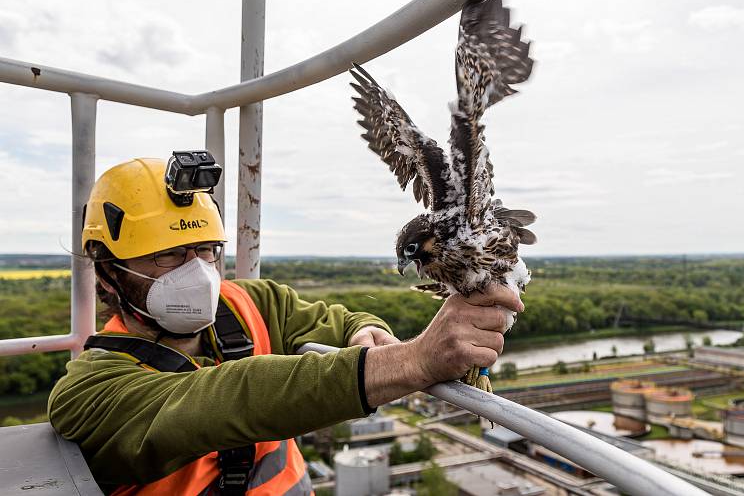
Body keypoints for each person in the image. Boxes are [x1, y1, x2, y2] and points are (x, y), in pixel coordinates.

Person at [48, 155, 522, 495]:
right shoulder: (89, 393)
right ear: (110, 271)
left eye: (206, 251)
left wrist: (365, 331)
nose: (195, 271)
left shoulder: (248, 304)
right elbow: (231, 396)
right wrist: (414, 360)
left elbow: (336, 321)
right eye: (167, 255)